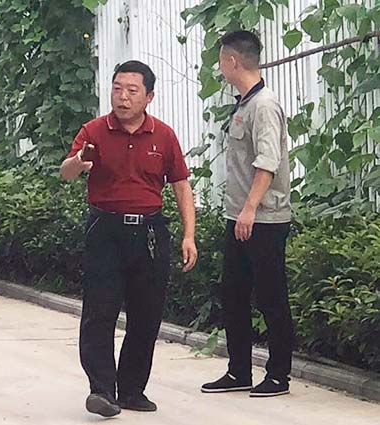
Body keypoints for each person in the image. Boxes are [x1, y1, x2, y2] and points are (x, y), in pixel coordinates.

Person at [61, 60, 197, 417]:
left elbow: (181, 185)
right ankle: (102, 390)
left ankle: (133, 390)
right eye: (117, 88)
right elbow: (66, 172)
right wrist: (79, 162)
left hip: (150, 232)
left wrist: (189, 235)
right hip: (105, 230)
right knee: (99, 312)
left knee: (146, 315)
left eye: (132, 90)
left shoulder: (163, 135)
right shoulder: (94, 131)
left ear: (148, 97)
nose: (122, 97)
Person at [200, 30, 293, 398]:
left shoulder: (264, 105)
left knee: (271, 296)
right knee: (234, 294)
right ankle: (238, 370)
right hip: (239, 216)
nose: (220, 68)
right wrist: (240, 212)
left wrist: (251, 208)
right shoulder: (244, 104)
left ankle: (278, 375)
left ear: (232, 61)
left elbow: (268, 162)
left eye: (221, 60)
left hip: (264, 219)